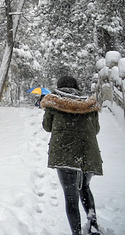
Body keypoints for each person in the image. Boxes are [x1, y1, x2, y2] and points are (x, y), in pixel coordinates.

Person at [41, 75, 103, 235]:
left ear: (59, 86)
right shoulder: (89, 104)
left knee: (70, 197)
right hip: (87, 153)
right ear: (77, 86)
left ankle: (77, 232)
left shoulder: (53, 102)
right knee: (85, 188)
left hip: (64, 154)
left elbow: (47, 127)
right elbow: (95, 130)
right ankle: (93, 224)